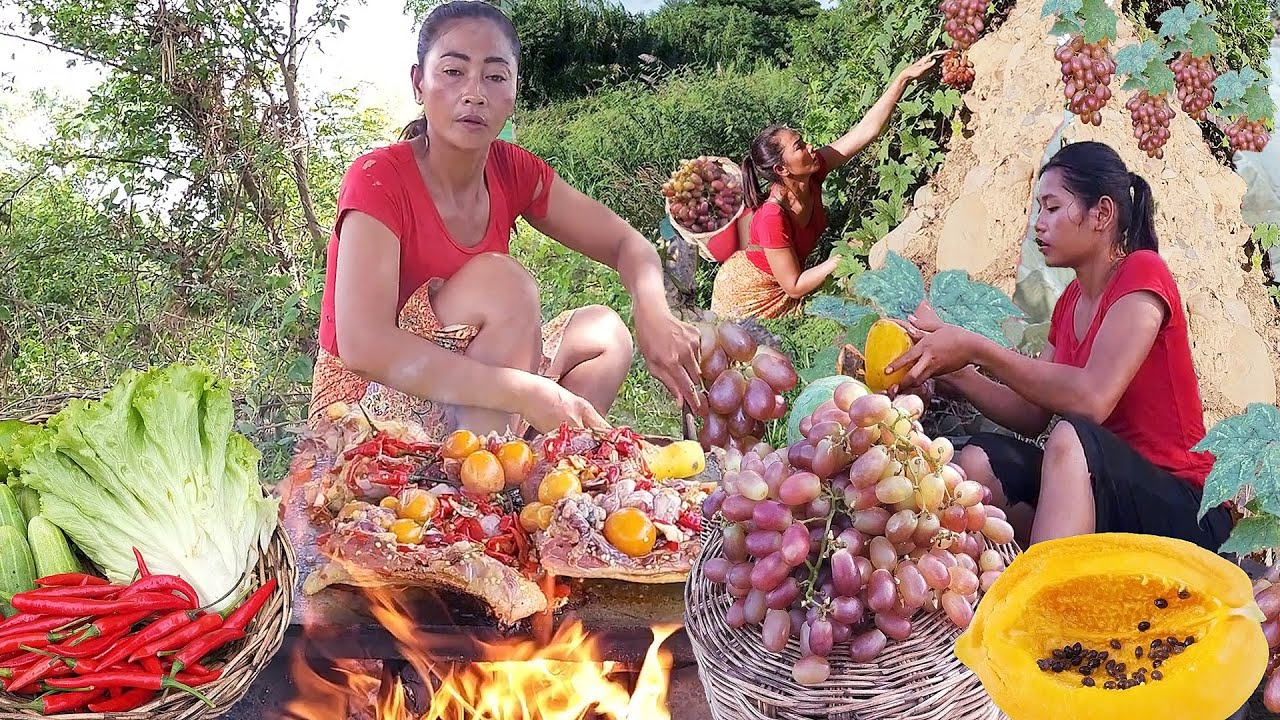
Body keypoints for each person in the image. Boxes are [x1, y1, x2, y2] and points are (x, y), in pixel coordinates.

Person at [310, 0, 704, 439]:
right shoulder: (379, 178)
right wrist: (521, 392)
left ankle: (529, 475)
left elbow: (627, 245)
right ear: (418, 83)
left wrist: (654, 314)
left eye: (495, 76)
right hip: (364, 404)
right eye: (453, 71)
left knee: (605, 334)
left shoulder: (512, 170)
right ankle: (483, 490)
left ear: (515, 91)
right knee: (504, 285)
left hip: (467, 391)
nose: (475, 92)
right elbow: (363, 346)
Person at [883, 140, 1233, 553]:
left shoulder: (1143, 272)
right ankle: (1040, 581)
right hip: (1107, 500)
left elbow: (1092, 398)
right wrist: (956, 370)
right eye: (1038, 210)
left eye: (1052, 207)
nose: (1038, 224)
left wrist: (976, 347)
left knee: (1070, 437)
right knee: (980, 462)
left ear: (1101, 213)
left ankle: (1046, 608)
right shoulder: (1068, 304)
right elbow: (1030, 415)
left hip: (1186, 511)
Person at [708, 50, 946, 320]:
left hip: (785, 282)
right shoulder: (772, 217)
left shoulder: (812, 170)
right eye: (799, 147)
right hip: (747, 296)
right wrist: (840, 259)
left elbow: (866, 131)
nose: (810, 147)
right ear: (781, 169)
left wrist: (903, 79)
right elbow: (795, 286)